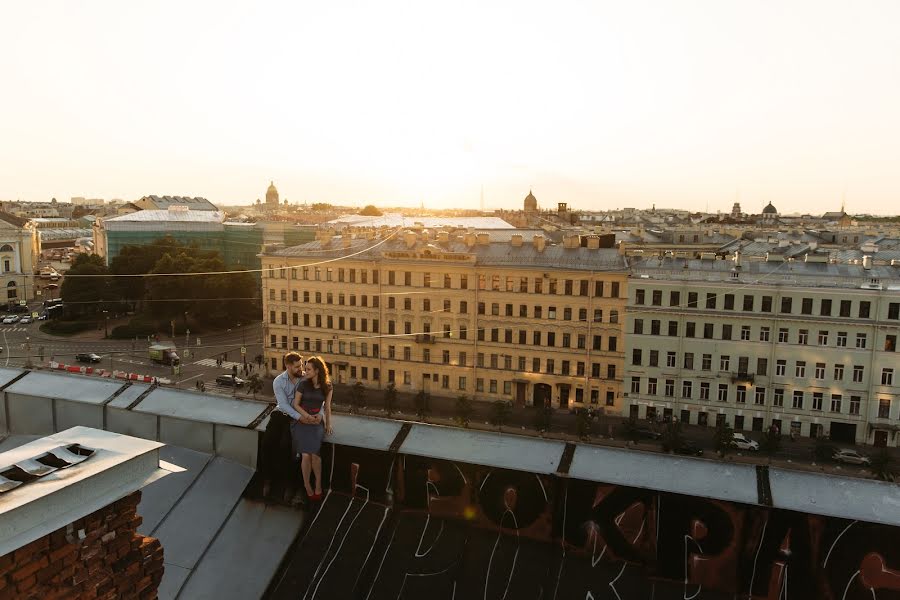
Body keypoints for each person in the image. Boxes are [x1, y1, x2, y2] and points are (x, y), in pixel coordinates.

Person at [261, 352, 315, 502]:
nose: (301, 368)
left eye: (301, 365)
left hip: (296, 417)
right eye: (297, 366)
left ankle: (289, 485)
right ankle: (267, 480)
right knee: (266, 444)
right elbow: (283, 405)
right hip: (282, 414)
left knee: (287, 447)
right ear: (288, 366)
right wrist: (300, 417)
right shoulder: (279, 381)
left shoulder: (305, 378)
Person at [291, 356, 333, 502]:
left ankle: (318, 484)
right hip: (303, 420)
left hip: (316, 422)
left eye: (308, 369)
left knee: (315, 454)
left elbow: (327, 407)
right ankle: (307, 485)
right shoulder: (303, 384)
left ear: (317, 371)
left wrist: (328, 424)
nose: (305, 371)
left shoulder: (327, 386)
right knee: (306, 455)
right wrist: (306, 416)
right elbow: (296, 405)